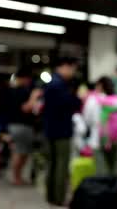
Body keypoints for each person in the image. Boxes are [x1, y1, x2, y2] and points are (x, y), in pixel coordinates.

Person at [42, 57, 81, 206]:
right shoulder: (60, 85)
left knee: (51, 164)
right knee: (61, 165)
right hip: (61, 130)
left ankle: (50, 196)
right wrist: (77, 98)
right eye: (72, 69)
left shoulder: (50, 83)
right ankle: (59, 198)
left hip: (49, 129)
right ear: (65, 66)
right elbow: (71, 104)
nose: (73, 73)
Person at [6, 68, 38, 186]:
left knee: (22, 152)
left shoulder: (13, 90)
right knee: (19, 152)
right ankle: (16, 177)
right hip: (20, 125)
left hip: (17, 125)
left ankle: (17, 177)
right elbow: (26, 108)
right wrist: (34, 96)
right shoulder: (20, 91)